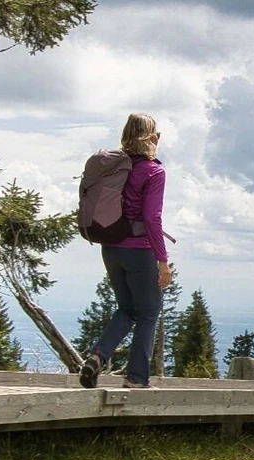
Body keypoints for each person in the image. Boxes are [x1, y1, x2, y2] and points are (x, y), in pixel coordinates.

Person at [80, 113, 172, 388]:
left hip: (110, 248)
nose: (158, 138)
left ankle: (98, 355)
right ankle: (136, 378)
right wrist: (163, 260)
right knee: (148, 312)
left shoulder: (115, 166)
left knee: (127, 309)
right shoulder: (154, 171)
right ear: (150, 137)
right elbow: (152, 218)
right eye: (157, 133)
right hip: (138, 250)